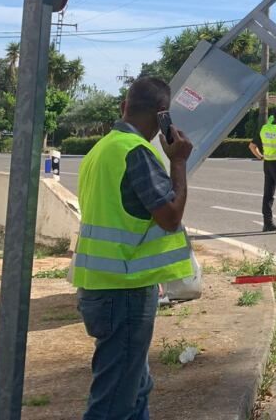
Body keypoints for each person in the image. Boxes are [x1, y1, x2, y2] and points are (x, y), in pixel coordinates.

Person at [72, 76, 196, 420]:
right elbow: (170, 217)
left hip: (101, 286)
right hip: (123, 291)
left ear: (123, 107)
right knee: (113, 403)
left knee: (136, 389)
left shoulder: (102, 149)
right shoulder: (136, 153)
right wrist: (179, 162)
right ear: (163, 116)